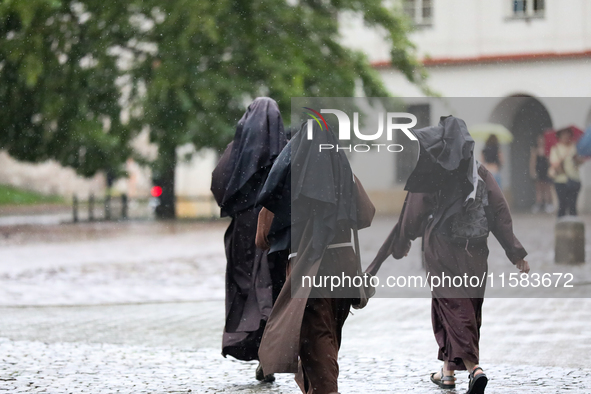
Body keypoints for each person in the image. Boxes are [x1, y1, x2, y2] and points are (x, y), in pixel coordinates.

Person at [371, 116, 529, 394]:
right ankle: (447, 373)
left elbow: (413, 213)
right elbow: (499, 213)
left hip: (442, 250)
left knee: (456, 308)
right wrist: (514, 252)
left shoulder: (433, 173)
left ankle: (473, 368)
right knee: (459, 307)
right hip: (476, 252)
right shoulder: (481, 172)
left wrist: (404, 240)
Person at [256, 121, 376, 394]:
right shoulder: (343, 173)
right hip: (343, 267)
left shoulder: (285, 179)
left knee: (315, 339)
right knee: (328, 337)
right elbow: (366, 215)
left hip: (308, 270)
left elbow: (261, 238)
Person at [210, 97, 288, 381]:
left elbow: (218, 184)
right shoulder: (284, 151)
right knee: (272, 290)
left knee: (248, 290)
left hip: (243, 232)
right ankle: (268, 354)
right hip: (273, 230)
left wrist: (239, 203)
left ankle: (258, 349)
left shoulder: (235, 152)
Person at [549, 127, 583, 217]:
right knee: (562, 205)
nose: (566, 137)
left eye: (568, 135)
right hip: (561, 180)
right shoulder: (556, 148)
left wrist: (576, 159)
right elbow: (555, 164)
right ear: (559, 137)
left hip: (574, 179)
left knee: (573, 205)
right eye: (564, 135)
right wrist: (562, 161)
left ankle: (573, 225)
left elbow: (580, 162)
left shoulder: (575, 147)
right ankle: (561, 225)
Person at [529, 134, 554, 213]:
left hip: (546, 171)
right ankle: (539, 203)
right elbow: (533, 161)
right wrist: (533, 171)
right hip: (539, 170)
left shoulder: (547, 150)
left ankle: (548, 203)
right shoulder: (535, 150)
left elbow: (550, 161)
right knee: (539, 188)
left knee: (547, 188)